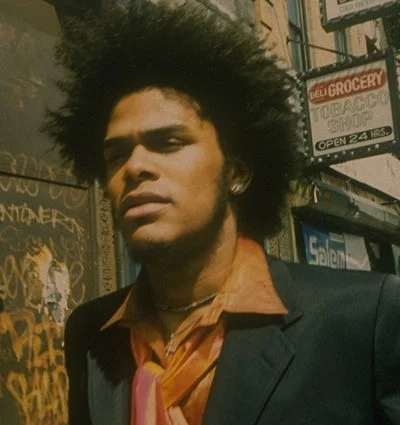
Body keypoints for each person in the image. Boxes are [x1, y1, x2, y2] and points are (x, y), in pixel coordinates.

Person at [44, 1, 400, 425]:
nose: (134, 166)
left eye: (168, 143)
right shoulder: (90, 333)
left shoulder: (364, 318)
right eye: (116, 154)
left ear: (237, 172)